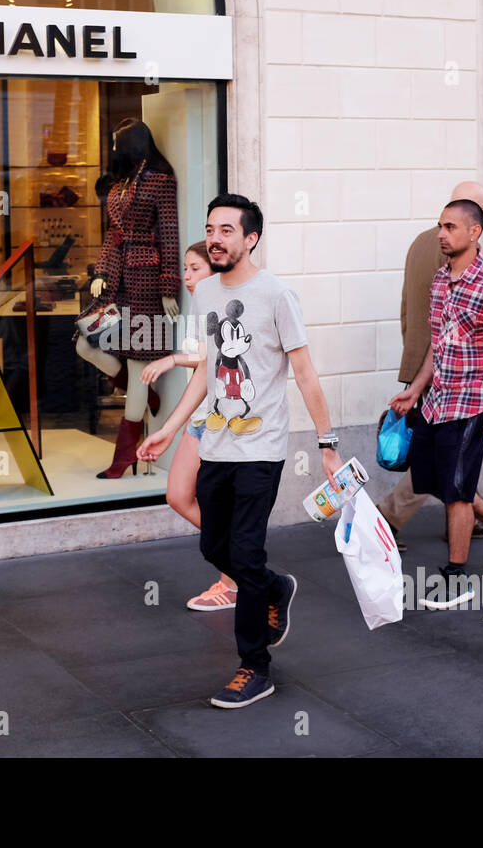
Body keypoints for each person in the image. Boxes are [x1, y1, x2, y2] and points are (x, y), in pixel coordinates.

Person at [137, 194, 342, 708]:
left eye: (228, 230)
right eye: (211, 228)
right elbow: (207, 369)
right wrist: (171, 428)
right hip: (217, 444)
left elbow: (304, 371)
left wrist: (326, 442)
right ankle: (274, 588)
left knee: (245, 553)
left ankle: (255, 667)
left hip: (261, 448)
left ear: (250, 239)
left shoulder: (277, 296)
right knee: (214, 547)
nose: (216, 238)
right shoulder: (206, 292)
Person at [390, 199, 483, 607]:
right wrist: (416, 390)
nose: (441, 234)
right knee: (433, 479)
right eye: (440, 226)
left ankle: (457, 579)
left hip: (475, 401)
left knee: (455, 492)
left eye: (450, 227)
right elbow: (440, 342)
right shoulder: (439, 280)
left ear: (474, 232)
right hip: (437, 400)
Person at [379, 181, 483, 549]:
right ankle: (387, 518)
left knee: (452, 449)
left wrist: (411, 356)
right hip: (446, 365)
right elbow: (456, 318)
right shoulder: (461, 250)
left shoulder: (419, 241)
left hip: (420, 355)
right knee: (437, 454)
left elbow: (405, 304)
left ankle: (464, 519)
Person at [77, 119, 181, 479]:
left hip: (148, 284)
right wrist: (101, 273)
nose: (113, 149)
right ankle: (148, 398)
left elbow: (169, 233)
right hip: (118, 281)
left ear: (132, 144)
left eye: (117, 142)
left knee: (139, 366)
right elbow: (113, 235)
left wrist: (169, 286)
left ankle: (125, 456)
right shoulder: (122, 182)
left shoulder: (160, 180)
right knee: (86, 345)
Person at [139, 242, 240, 611]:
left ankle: (233, 580)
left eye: (194, 269)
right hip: (198, 420)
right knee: (178, 496)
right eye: (185, 268)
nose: (186, 276)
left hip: (217, 424)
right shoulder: (200, 306)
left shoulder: (221, 307)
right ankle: (239, 566)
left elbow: (206, 359)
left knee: (211, 503)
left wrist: (170, 360)